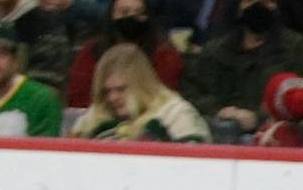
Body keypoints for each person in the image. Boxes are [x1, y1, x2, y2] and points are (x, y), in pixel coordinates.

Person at [181, 0, 303, 135]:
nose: (259, 5)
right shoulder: (215, 50)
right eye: (250, 0)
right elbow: (190, 91)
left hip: (274, 134)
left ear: (279, 8)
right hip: (218, 132)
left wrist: (257, 117)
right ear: (238, 9)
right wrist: (220, 111)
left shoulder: (297, 47)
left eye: (268, 0)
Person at [65, 0, 182, 110]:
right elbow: (78, 96)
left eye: (140, 13)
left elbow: (166, 96)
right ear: (111, 15)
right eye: (124, 12)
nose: (132, 17)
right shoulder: (92, 51)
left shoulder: (164, 54)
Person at [72, 41, 210, 142]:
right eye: (107, 92)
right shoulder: (96, 114)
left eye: (121, 89)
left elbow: (195, 169)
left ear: (142, 85)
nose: (112, 98)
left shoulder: (175, 113)